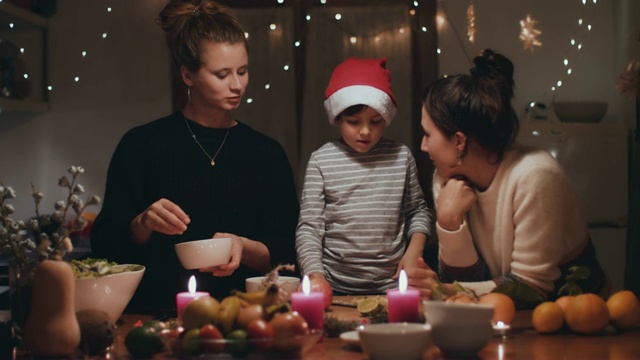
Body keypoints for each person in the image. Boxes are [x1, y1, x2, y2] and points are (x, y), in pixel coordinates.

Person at [90, 0, 299, 314]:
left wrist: (242, 247)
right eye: (222, 74)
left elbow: (288, 252)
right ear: (187, 75)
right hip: (156, 317)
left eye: (243, 71)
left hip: (247, 319)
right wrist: (142, 223)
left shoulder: (266, 154)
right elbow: (104, 249)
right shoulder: (141, 145)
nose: (238, 84)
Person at [417, 49, 610, 304]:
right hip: (507, 316)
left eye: (428, 134)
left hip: (581, 317)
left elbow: (531, 288)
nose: (423, 145)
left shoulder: (535, 177)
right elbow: (468, 288)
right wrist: (449, 222)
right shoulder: (447, 178)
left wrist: (446, 290)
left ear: (459, 141)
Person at [296, 57, 432, 295]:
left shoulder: (401, 157)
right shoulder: (321, 161)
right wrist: (315, 274)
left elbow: (418, 210)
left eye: (376, 121)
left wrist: (414, 251)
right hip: (336, 288)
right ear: (337, 117)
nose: (366, 131)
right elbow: (309, 227)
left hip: (393, 287)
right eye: (353, 122)